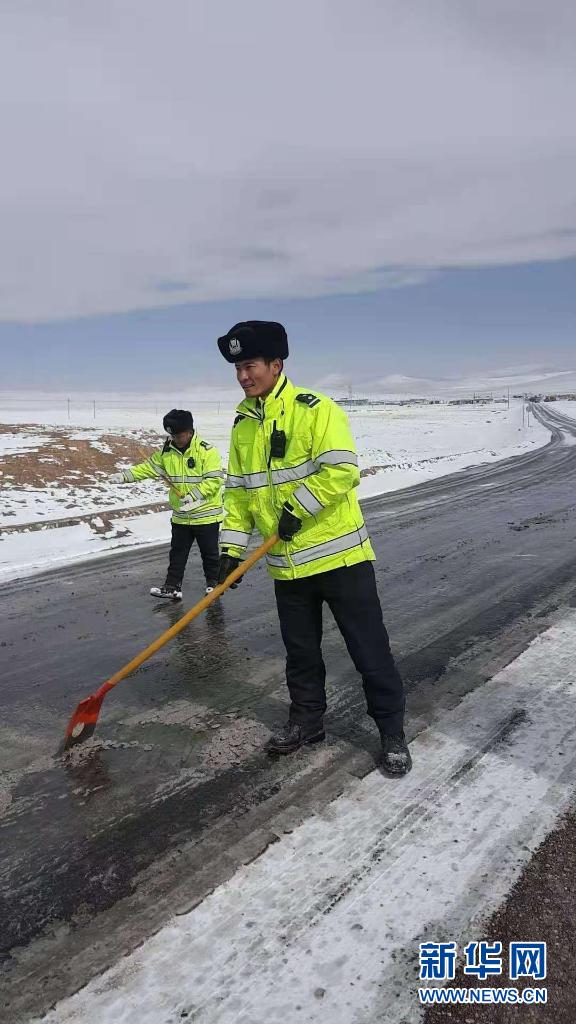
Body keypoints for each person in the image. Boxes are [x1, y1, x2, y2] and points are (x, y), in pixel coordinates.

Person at [216, 321, 411, 775]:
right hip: (286, 567)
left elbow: (342, 471)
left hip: (340, 558)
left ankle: (392, 732)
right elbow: (239, 494)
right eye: (238, 368)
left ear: (275, 365)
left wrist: (296, 509)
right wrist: (231, 548)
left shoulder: (315, 409)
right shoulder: (243, 425)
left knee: (369, 651)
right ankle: (307, 722)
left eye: (250, 366)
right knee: (300, 654)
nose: (244, 376)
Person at [110, 408, 224, 599]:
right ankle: (172, 587)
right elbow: (148, 468)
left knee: (210, 554)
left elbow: (214, 481)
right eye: (171, 434)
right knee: (177, 554)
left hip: (206, 514)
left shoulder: (207, 451)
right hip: (181, 515)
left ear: (189, 431)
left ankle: (213, 585)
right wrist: (124, 476)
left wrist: (193, 495)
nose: (174, 438)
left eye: (177, 434)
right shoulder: (167, 452)